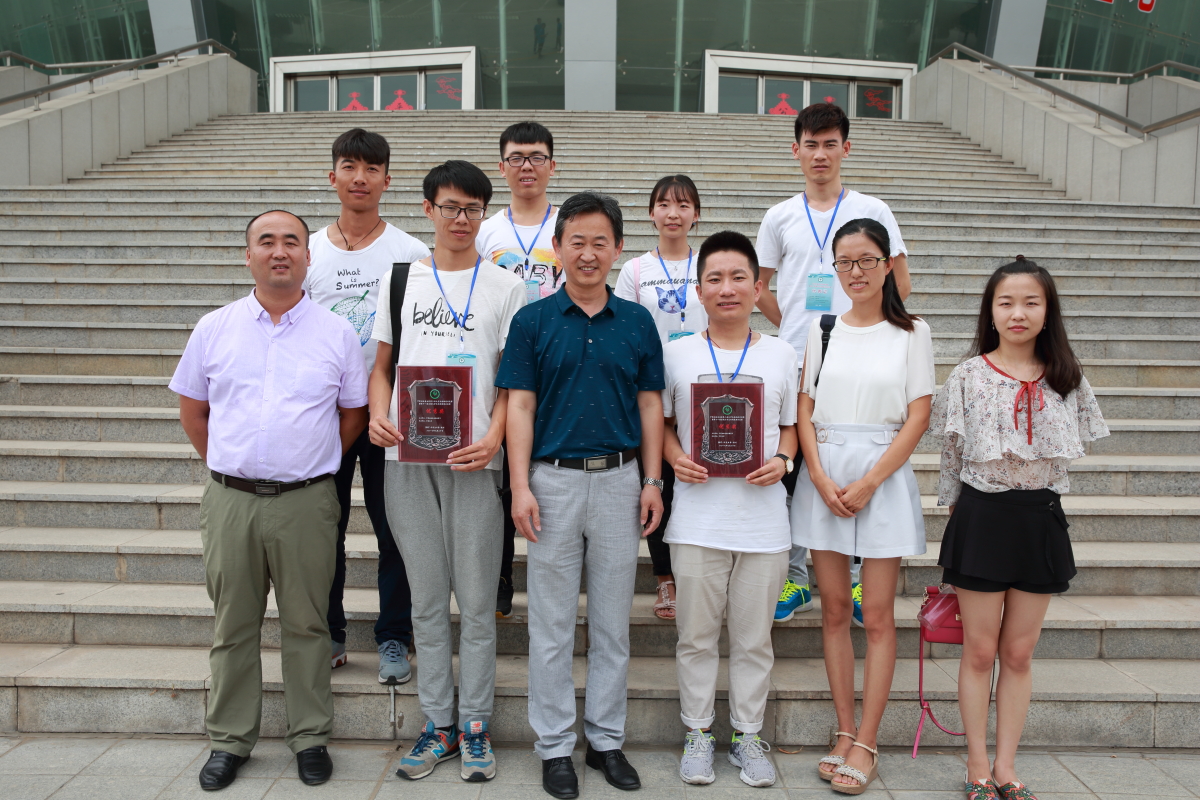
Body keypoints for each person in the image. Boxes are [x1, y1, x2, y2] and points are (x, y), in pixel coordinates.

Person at [172, 210, 368, 791]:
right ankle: (230, 740)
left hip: (306, 501)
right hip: (231, 501)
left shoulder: (336, 333)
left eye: (291, 242)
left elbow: (352, 414)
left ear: (308, 256)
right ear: (248, 255)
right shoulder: (215, 327)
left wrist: (308, 460)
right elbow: (194, 411)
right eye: (266, 241)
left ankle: (310, 737)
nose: (279, 251)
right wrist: (231, 465)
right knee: (233, 624)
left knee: (308, 623)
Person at [496, 191, 665, 800]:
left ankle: (606, 741)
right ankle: (553, 747)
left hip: (621, 480)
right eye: (577, 242)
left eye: (600, 242)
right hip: (553, 482)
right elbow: (519, 406)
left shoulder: (638, 322)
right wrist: (520, 485)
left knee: (613, 622)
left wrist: (652, 480)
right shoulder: (532, 321)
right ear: (557, 247)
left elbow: (651, 406)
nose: (588, 253)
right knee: (551, 623)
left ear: (617, 249)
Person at [369, 161, 526, 783]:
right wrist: (378, 414)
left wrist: (493, 436)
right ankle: (438, 724)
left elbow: (511, 381)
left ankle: (476, 725)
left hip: (475, 462)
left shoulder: (506, 287)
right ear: (428, 209)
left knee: (479, 601)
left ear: (484, 214)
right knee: (428, 599)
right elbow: (382, 367)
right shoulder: (399, 280)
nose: (461, 218)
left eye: (472, 208)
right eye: (450, 207)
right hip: (407, 459)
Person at [931, 257, 1108, 800]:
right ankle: (977, 765)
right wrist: (955, 527)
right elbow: (951, 457)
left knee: (1018, 654)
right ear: (990, 311)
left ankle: (1007, 767)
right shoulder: (968, 376)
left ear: (1047, 311)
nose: (1018, 313)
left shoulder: (1067, 378)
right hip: (982, 520)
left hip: (1040, 523)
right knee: (979, 652)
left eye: (1031, 302)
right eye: (1006, 302)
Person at [791, 218, 933, 795]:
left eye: (867, 260)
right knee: (831, 609)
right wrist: (818, 477)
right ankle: (844, 730)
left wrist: (871, 482)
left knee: (874, 613)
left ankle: (868, 741)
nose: (856, 271)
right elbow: (803, 409)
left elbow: (918, 415)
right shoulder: (822, 328)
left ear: (887, 265)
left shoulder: (912, 332)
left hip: (882, 474)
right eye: (845, 262)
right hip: (824, 473)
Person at [756, 102, 911, 624]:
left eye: (829, 144)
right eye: (810, 144)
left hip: (860, 357)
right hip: (799, 358)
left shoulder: (873, 209)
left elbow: (901, 281)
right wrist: (797, 328)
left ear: (846, 148)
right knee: (799, 464)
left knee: (859, 458)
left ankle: (863, 578)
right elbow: (760, 286)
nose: (819, 154)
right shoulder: (779, 216)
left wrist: (864, 328)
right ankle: (797, 578)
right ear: (795, 150)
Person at [661, 231, 798, 788]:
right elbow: (663, 424)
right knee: (695, 637)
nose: (726, 288)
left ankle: (747, 735)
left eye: (738, 277)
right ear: (698, 290)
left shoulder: (782, 353)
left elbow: (791, 426)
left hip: (763, 522)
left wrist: (784, 460)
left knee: (753, 640)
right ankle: (698, 732)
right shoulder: (677, 353)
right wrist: (674, 457)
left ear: (757, 286)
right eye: (714, 278)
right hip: (697, 519)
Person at [304, 127, 429, 682]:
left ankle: (394, 637)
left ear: (387, 180)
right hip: (322, 416)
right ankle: (328, 633)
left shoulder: (410, 252)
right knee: (321, 530)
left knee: (394, 529)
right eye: (350, 167)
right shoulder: (307, 249)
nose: (360, 178)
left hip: (387, 414)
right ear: (332, 176)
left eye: (371, 169)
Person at [477, 120, 563, 619]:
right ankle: (502, 573)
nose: (526, 166)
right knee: (504, 476)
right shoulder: (485, 229)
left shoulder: (568, 222)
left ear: (552, 165)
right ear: (501, 166)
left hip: (557, 361)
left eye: (535, 157)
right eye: (516, 157)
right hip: (501, 361)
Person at [614, 174, 705, 621]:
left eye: (683, 205)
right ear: (651, 212)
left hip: (702, 387)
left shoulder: (709, 264)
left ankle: (698, 573)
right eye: (665, 204)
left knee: (699, 478)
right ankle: (665, 578)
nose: (673, 213)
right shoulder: (635, 271)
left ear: (696, 214)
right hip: (650, 389)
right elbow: (622, 329)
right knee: (657, 482)